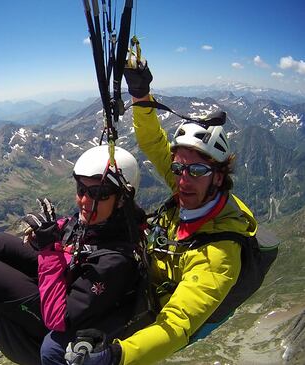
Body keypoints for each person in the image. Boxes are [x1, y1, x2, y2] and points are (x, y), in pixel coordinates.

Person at [64, 61, 258, 365]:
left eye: (196, 170)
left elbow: (177, 324)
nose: (182, 180)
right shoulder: (192, 187)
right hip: (140, 278)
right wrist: (141, 97)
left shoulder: (220, 254)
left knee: (56, 347)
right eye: (178, 168)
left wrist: (117, 355)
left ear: (218, 177)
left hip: (150, 313)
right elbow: (154, 142)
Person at [0, 145, 146, 365]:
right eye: (81, 189)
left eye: (98, 193)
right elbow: (74, 229)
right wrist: (49, 230)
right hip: (67, 277)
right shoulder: (106, 220)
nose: (85, 201)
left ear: (122, 198)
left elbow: (59, 319)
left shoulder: (115, 260)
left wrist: (49, 250)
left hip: (55, 317)